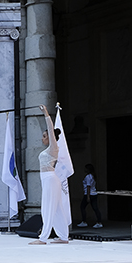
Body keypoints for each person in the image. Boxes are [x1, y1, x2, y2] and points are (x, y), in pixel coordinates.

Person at [31, 104, 69, 244]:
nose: (42, 138)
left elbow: (51, 130)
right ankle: (64, 237)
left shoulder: (54, 148)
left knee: (47, 207)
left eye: (44, 136)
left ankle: (43, 238)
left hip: (50, 180)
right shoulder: (49, 149)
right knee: (57, 209)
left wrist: (46, 113)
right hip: (49, 180)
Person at [78, 163, 103, 229]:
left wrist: (88, 196)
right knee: (95, 208)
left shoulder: (88, 177)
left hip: (89, 194)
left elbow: (88, 186)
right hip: (94, 193)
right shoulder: (93, 176)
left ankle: (84, 221)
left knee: (82, 207)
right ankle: (99, 222)